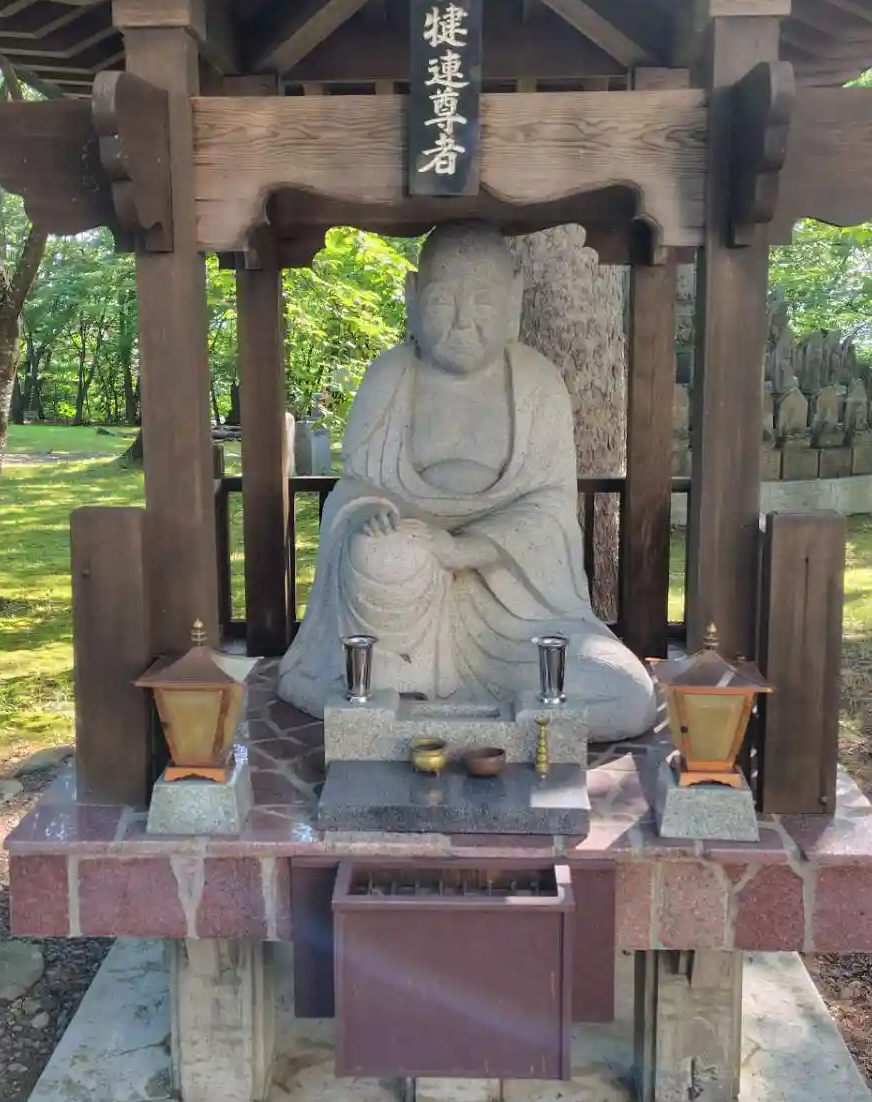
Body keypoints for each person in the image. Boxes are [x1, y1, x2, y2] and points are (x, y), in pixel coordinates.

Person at [276, 224, 658, 741]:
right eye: (442, 301)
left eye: (483, 301)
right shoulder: (389, 377)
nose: (462, 321)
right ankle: (469, 712)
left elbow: (549, 511)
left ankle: (420, 718)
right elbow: (357, 485)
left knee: (626, 695)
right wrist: (369, 513)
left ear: (514, 301)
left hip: (514, 618)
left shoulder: (538, 383)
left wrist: (463, 550)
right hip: (404, 615)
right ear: (413, 297)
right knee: (380, 555)